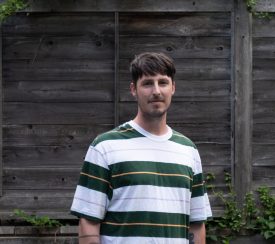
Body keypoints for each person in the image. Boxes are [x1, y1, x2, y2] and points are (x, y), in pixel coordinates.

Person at [70, 52, 212, 244]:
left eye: (163, 82)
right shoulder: (105, 147)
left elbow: (196, 224)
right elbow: (88, 222)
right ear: (133, 89)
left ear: (173, 88)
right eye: (147, 83)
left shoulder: (188, 150)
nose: (156, 91)